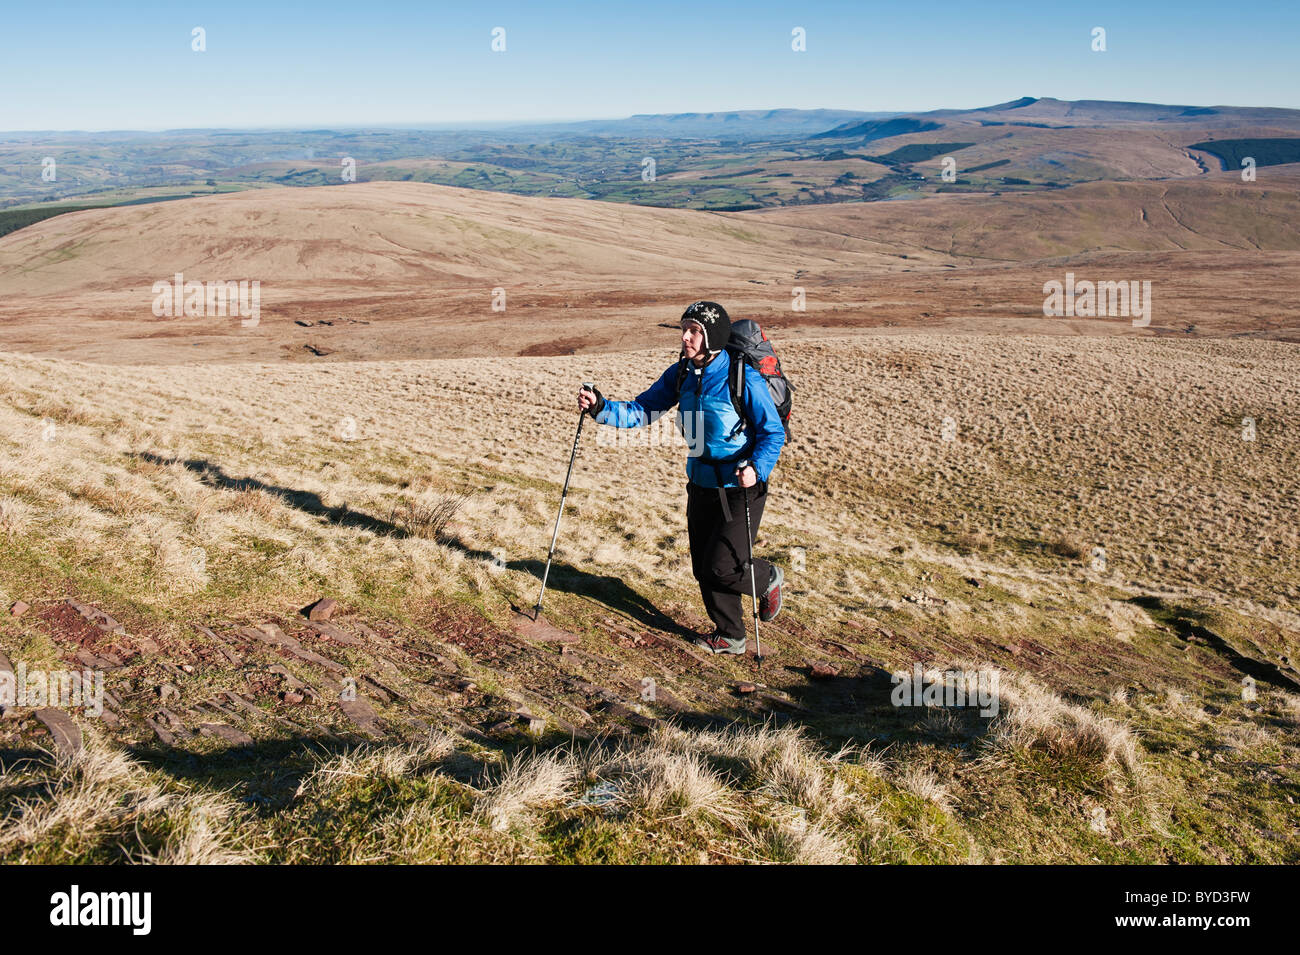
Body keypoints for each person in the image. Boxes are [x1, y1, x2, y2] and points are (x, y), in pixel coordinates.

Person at [577, 301, 786, 654]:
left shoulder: (742, 378)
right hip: (701, 482)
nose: (686, 337)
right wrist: (600, 406)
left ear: (712, 337)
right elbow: (642, 410)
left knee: (723, 566)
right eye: (684, 328)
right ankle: (731, 634)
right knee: (703, 566)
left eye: (694, 331)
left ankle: (767, 578)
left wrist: (756, 467)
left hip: (741, 485)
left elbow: (772, 432)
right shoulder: (681, 374)